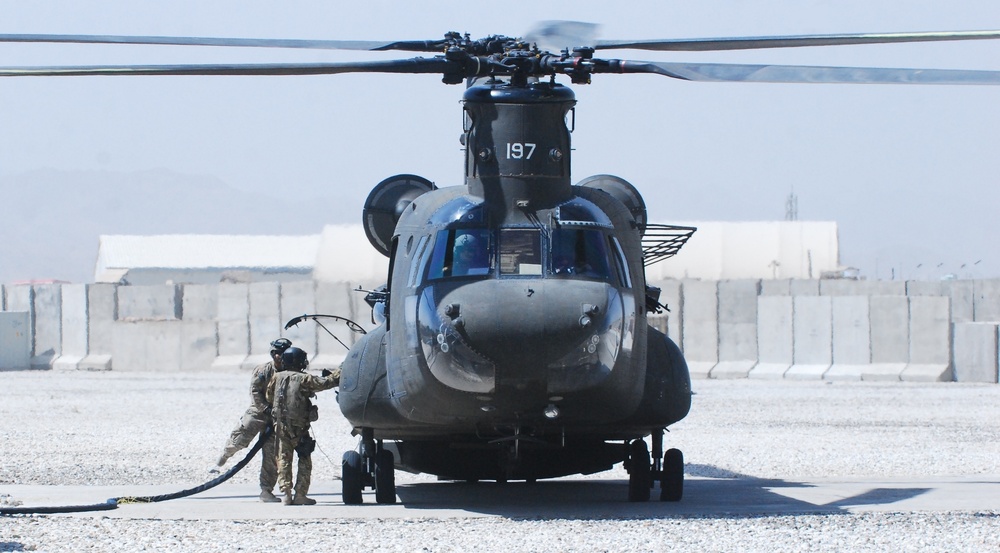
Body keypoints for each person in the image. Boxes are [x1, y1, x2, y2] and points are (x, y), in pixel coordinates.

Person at [217, 337, 291, 503]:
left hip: (278, 416)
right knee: (242, 435)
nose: (280, 356)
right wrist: (266, 409)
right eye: (277, 353)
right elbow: (255, 392)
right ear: (273, 354)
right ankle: (227, 452)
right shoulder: (263, 370)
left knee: (271, 455)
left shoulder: (290, 372)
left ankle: (266, 491)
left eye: (283, 353)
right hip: (259, 411)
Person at [266, 346, 341, 505]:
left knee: (283, 459)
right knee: (304, 457)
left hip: (280, 425)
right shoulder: (304, 379)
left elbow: (269, 396)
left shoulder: (276, 377)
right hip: (299, 426)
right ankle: (300, 494)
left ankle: (286, 494)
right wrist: (341, 370)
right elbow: (326, 383)